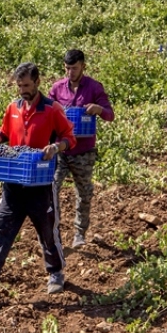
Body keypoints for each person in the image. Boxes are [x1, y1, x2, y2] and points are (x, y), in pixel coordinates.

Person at [0, 62, 77, 298]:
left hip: (39, 183)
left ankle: (56, 272)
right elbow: (5, 132)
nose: (23, 90)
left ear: (38, 82)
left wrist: (55, 147)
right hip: (14, 181)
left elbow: (70, 137)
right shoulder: (13, 108)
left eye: (26, 85)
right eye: (19, 86)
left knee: (47, 230)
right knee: (1, 228)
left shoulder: (52, 109)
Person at [48, 49, 115, 249]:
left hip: (83, 151)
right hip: (61, 150)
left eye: (74, 68)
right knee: (51, 190)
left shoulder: (94, 87)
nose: (70, 72)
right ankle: (54, 232)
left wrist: (98, 109)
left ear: (83, 66)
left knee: (84, 192)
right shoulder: (57, 88)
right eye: (67, 68)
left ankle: (79, 233)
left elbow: (110, 115)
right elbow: (47, 113)